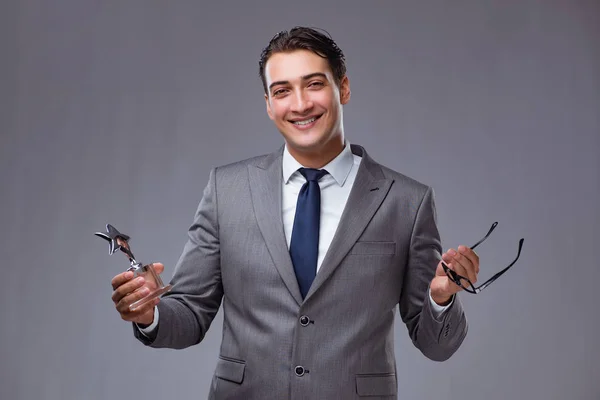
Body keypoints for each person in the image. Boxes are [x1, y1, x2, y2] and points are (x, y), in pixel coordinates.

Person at [110, 26, 479, 400]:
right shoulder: (227, 190)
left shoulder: (407, 202)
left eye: (314, 84)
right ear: (269, 105)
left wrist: (441, 297)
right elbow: (190, 315)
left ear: (344, 88)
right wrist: (149, 313)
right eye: (282, 91)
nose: (300, 104)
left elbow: (438, 346)